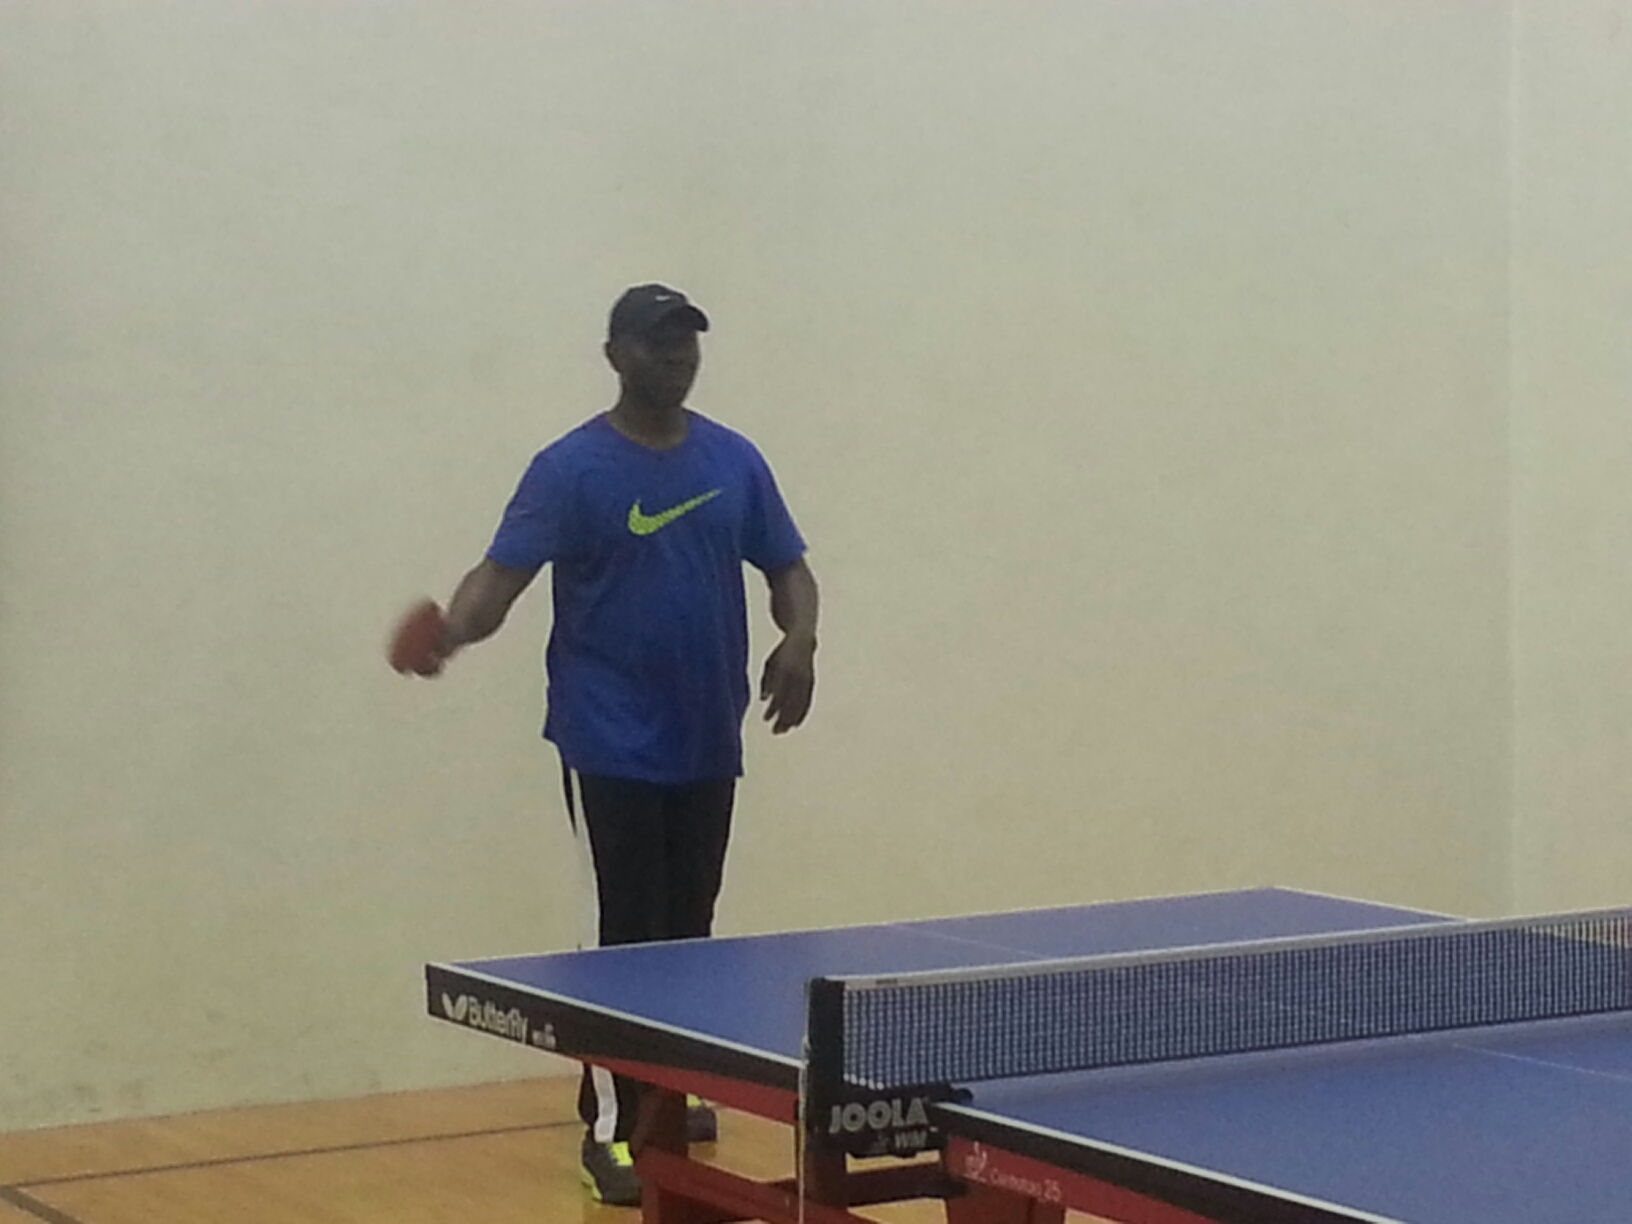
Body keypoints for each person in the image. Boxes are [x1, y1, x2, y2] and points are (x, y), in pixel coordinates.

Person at [411, 284, 819, 1205]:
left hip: (706, 734)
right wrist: (452, 633)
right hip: (609, 739)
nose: (676, 358)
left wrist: (800, 640)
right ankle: (614, 1128)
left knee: (689, 936)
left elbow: (788, 567)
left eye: (687, 344)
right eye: (657, 344)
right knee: (624, 942)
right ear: (614, 355)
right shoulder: (571, 470)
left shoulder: (734, 460)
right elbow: (499, 578)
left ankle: (665, 1092)